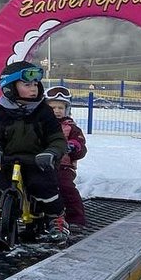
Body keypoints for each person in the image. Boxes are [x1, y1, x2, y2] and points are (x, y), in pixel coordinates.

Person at [0, 61, 70, 243]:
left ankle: (56, 218)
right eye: (27, 84)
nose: (33, 89)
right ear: (10, 87)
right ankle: (2, 212)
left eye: (35, 84)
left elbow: (57, 139)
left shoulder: (44, 112)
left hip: (37, 161)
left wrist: (51, 152)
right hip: (10, 161)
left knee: (44, 187)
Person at [45, 86, 87, 226]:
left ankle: (76, 217)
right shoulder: (41, 125)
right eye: (52, 108)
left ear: (67, 110)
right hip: (42, 164)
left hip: (63, 166)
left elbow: (80, 145)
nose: (57, 111)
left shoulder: (71, 128)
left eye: (60, 108)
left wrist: (73, 146)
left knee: (65, 186)